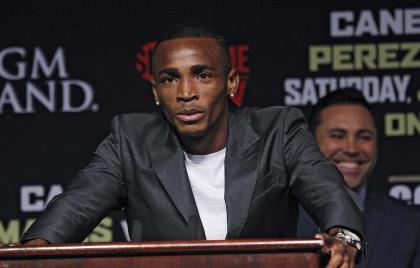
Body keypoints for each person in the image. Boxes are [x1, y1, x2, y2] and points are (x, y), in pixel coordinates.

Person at [22, 24, 365, 267]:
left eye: (202, 75)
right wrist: (30, 254)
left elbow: (326, 188)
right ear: (156, 91)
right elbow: (77, 204)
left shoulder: (279, 130)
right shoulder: (131, 140)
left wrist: (344, 236)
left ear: (231, 82)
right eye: (170, 79)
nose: (186, 93)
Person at [297, 88, 420, 267]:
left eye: (364, 137)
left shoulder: (411, 225)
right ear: (311, 143)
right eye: (337, 135)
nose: (352, 148)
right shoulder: (277, 217)